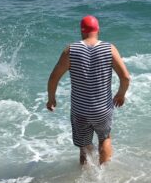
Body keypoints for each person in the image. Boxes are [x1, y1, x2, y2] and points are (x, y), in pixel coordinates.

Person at [46, 15, 131, 165]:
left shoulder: (71, 50)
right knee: (105, 139)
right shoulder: (109, 48)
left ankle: (85, 178)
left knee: (84, 146)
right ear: (98, 30)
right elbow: (126, 78)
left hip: (80, 111)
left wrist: (51, 98)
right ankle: (103, 175)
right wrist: (121, 94)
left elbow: (54, 78)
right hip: (102, 109)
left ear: (82, 31)